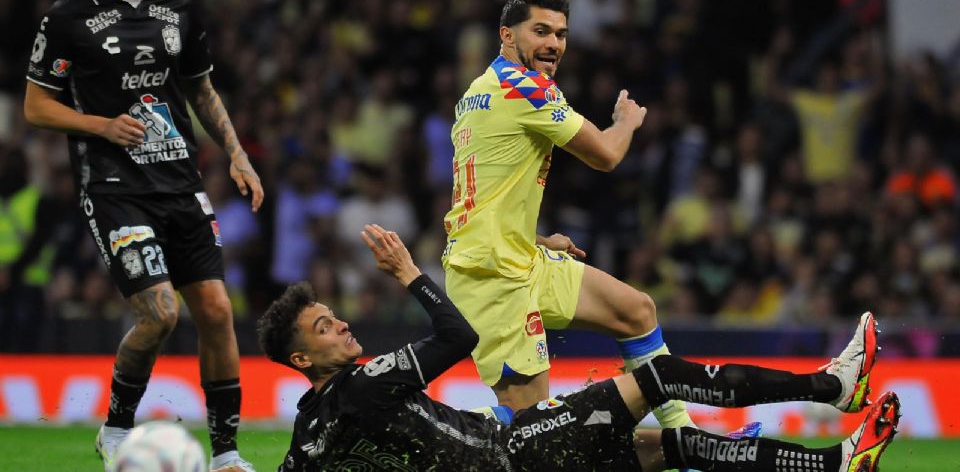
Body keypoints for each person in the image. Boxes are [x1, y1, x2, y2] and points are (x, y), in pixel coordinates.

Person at [258, 224, 899, 471]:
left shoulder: (312, 430)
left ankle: (835, 465)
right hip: (522, 453)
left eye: (334, 316)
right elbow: (459, 336)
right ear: (301, 362)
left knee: (664, 446)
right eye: (324, 328)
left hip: (519, 457)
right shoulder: (368, 382)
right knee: (660, 375)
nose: (342, 326)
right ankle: (833, 388)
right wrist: (408, 276)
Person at [22, 0, 262, 470]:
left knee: (218, 312)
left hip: (180, 182)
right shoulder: (67, 16)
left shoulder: (178, 9)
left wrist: (237, 153)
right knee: (160, 313)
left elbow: (201, 90)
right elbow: (37, 107)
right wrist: (101, 125)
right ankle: (115, 429)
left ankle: (225, 455)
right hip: (114, 187)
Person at [441, 0, 691, 427]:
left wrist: (534, 238)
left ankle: (687, 441)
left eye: (560, 34)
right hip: (493, 277)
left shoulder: (476, 92)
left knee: (636, 312)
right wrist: (626, 122)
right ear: (506, 35)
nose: (554, 44)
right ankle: (415, 431)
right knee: (532, 428)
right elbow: (606, 156)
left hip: (518, 256)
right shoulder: (526, 88)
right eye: (540, 31)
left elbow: (478, 202)